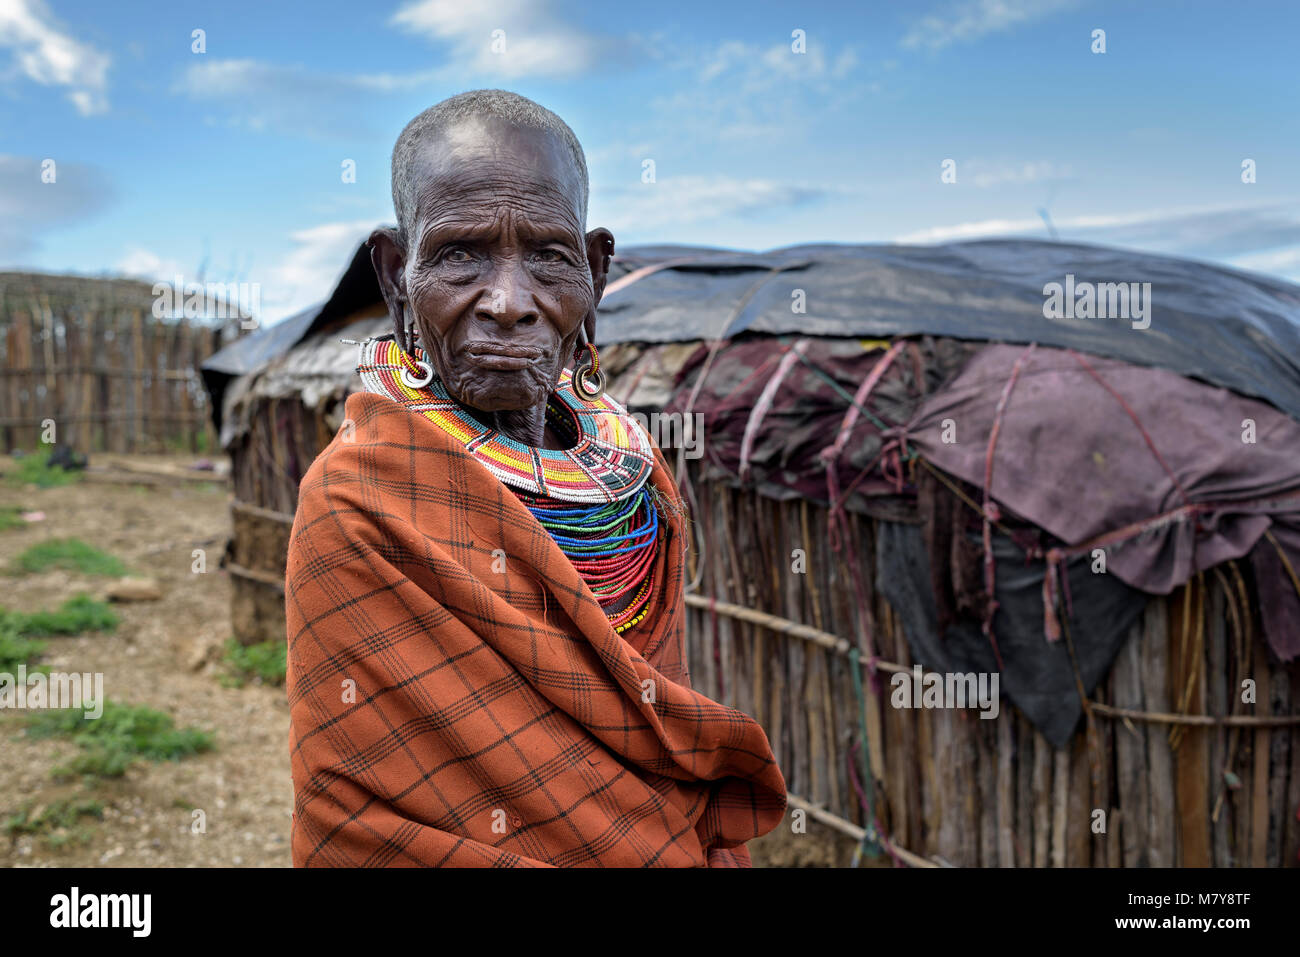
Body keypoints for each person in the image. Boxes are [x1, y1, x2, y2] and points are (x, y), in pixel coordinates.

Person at [285, 89, 785, 867]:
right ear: (396, 274)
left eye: (549, 256)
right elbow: (361, 821)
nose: (510, 304)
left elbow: (657, 727)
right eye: (459, 253)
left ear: (594, 270)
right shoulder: (358, 501)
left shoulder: (636, 480)